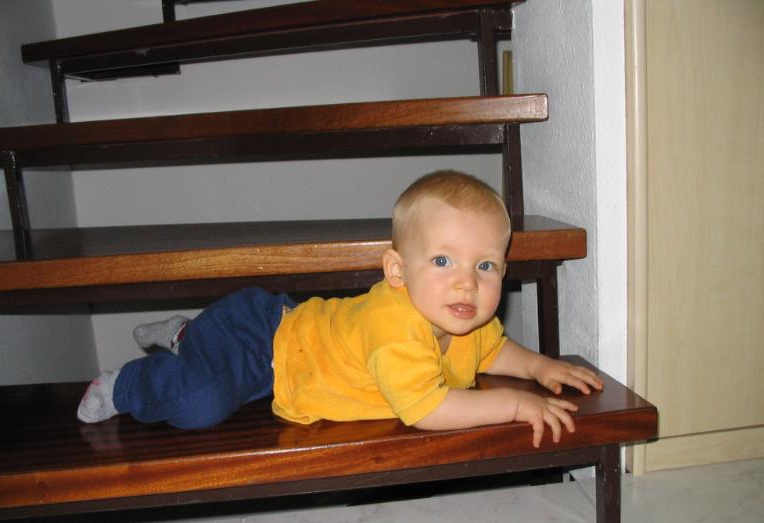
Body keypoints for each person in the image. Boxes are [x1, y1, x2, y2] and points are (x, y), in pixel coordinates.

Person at [78, 170, 603, 447]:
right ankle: (126, 384)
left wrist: (540, 367)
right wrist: (515, 405)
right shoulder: (393, 326)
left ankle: (188, 337)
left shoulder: (463, 316)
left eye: (485, 265)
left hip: (296, 361)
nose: (467, 282)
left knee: (210, 384)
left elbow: (494, 351)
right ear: (397, 271)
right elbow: (428, 411)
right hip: (262, 340)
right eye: (443, 260)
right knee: (201, 403)